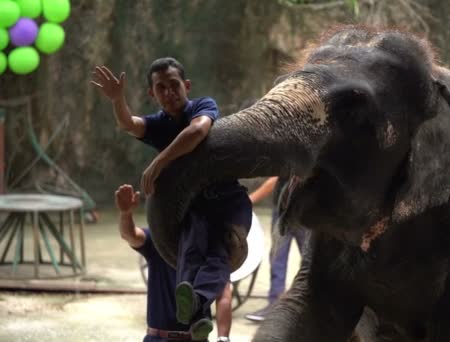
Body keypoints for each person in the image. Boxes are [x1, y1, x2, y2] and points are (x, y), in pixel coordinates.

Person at [92, 57, 251, 341]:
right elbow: (129, 123)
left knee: (218, 255)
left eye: (174, 85)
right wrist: (117, 99)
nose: (169, 92)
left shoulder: (203, 106)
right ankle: (198, 314)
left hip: (227, 204)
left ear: (186, 85)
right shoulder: (158, 124)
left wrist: (159, 162)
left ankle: (200, 317)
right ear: (152, 94)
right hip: (195, 206)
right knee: (188, 252)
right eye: (160, 88)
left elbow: (198, 131)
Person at [115, 184, 234, 342]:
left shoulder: (211, 247)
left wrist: (223, 338)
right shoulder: (160, 241)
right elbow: (130, 235)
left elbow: (224, 294)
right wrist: (125, 213)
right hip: (158, 337)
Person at [244, 176, 308, 322]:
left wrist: (248, 200)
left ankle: (312, 306)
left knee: (309, 261)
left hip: (303, 212)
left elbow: (273, 180)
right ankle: (275, 304)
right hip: (282, 210)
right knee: (277, 257)